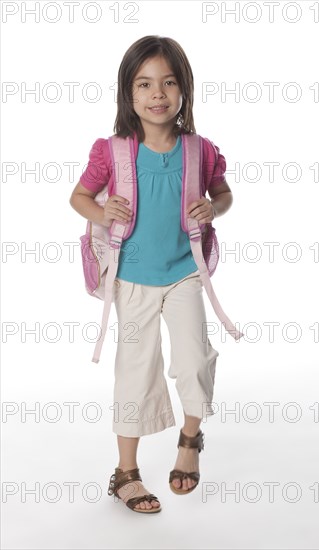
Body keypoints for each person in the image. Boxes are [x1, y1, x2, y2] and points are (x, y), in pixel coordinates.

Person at [69, 35, 234, 514]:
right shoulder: (113, 151)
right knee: (135, 370)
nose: (157, 94)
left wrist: (213, 208)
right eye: (144, 84)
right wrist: (100, 214)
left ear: (184, 90)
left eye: (168, 82)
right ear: (128, 93)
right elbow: (78, 197)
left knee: (194, 360)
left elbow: (223, 195)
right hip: (133, 278)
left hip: (184, 272)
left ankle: (190, 437)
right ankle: (126, 472)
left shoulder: (198, 150)